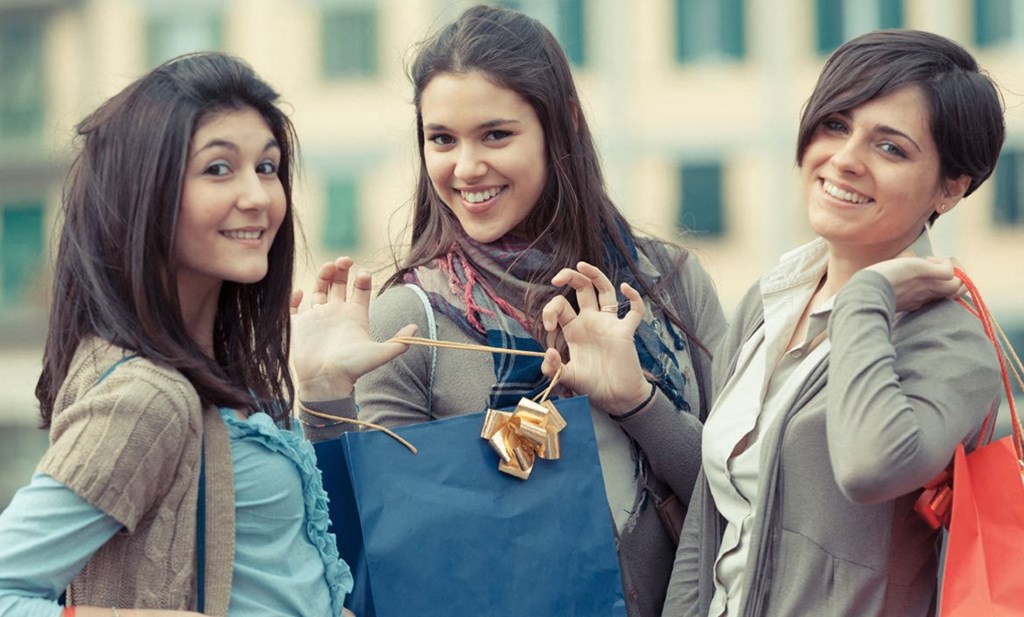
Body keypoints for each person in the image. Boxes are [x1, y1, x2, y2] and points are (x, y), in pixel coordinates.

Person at [295, 5, 726, 617]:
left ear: (564, 125)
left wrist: (638, 405)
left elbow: (744, 501)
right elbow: (382, 556)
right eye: (442, 139)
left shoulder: (670, 286)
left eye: (496, 135)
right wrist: (322, 394)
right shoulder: (410, 322)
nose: (466, 168)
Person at [0, 52, 409, 617]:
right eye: (219, 168)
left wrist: (325, 387)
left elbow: (285, 564)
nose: (259, 197)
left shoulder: (215, 372)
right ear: (147, 193)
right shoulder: (146, 396)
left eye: (267, 167)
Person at [653, 30, 1005, 617]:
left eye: (890, 148)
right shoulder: (772, 301)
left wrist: (866, 297)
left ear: (950, 189)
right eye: (836, 125)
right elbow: (716, 513)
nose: (845, 159)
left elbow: (872, 466)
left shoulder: (953, 341)